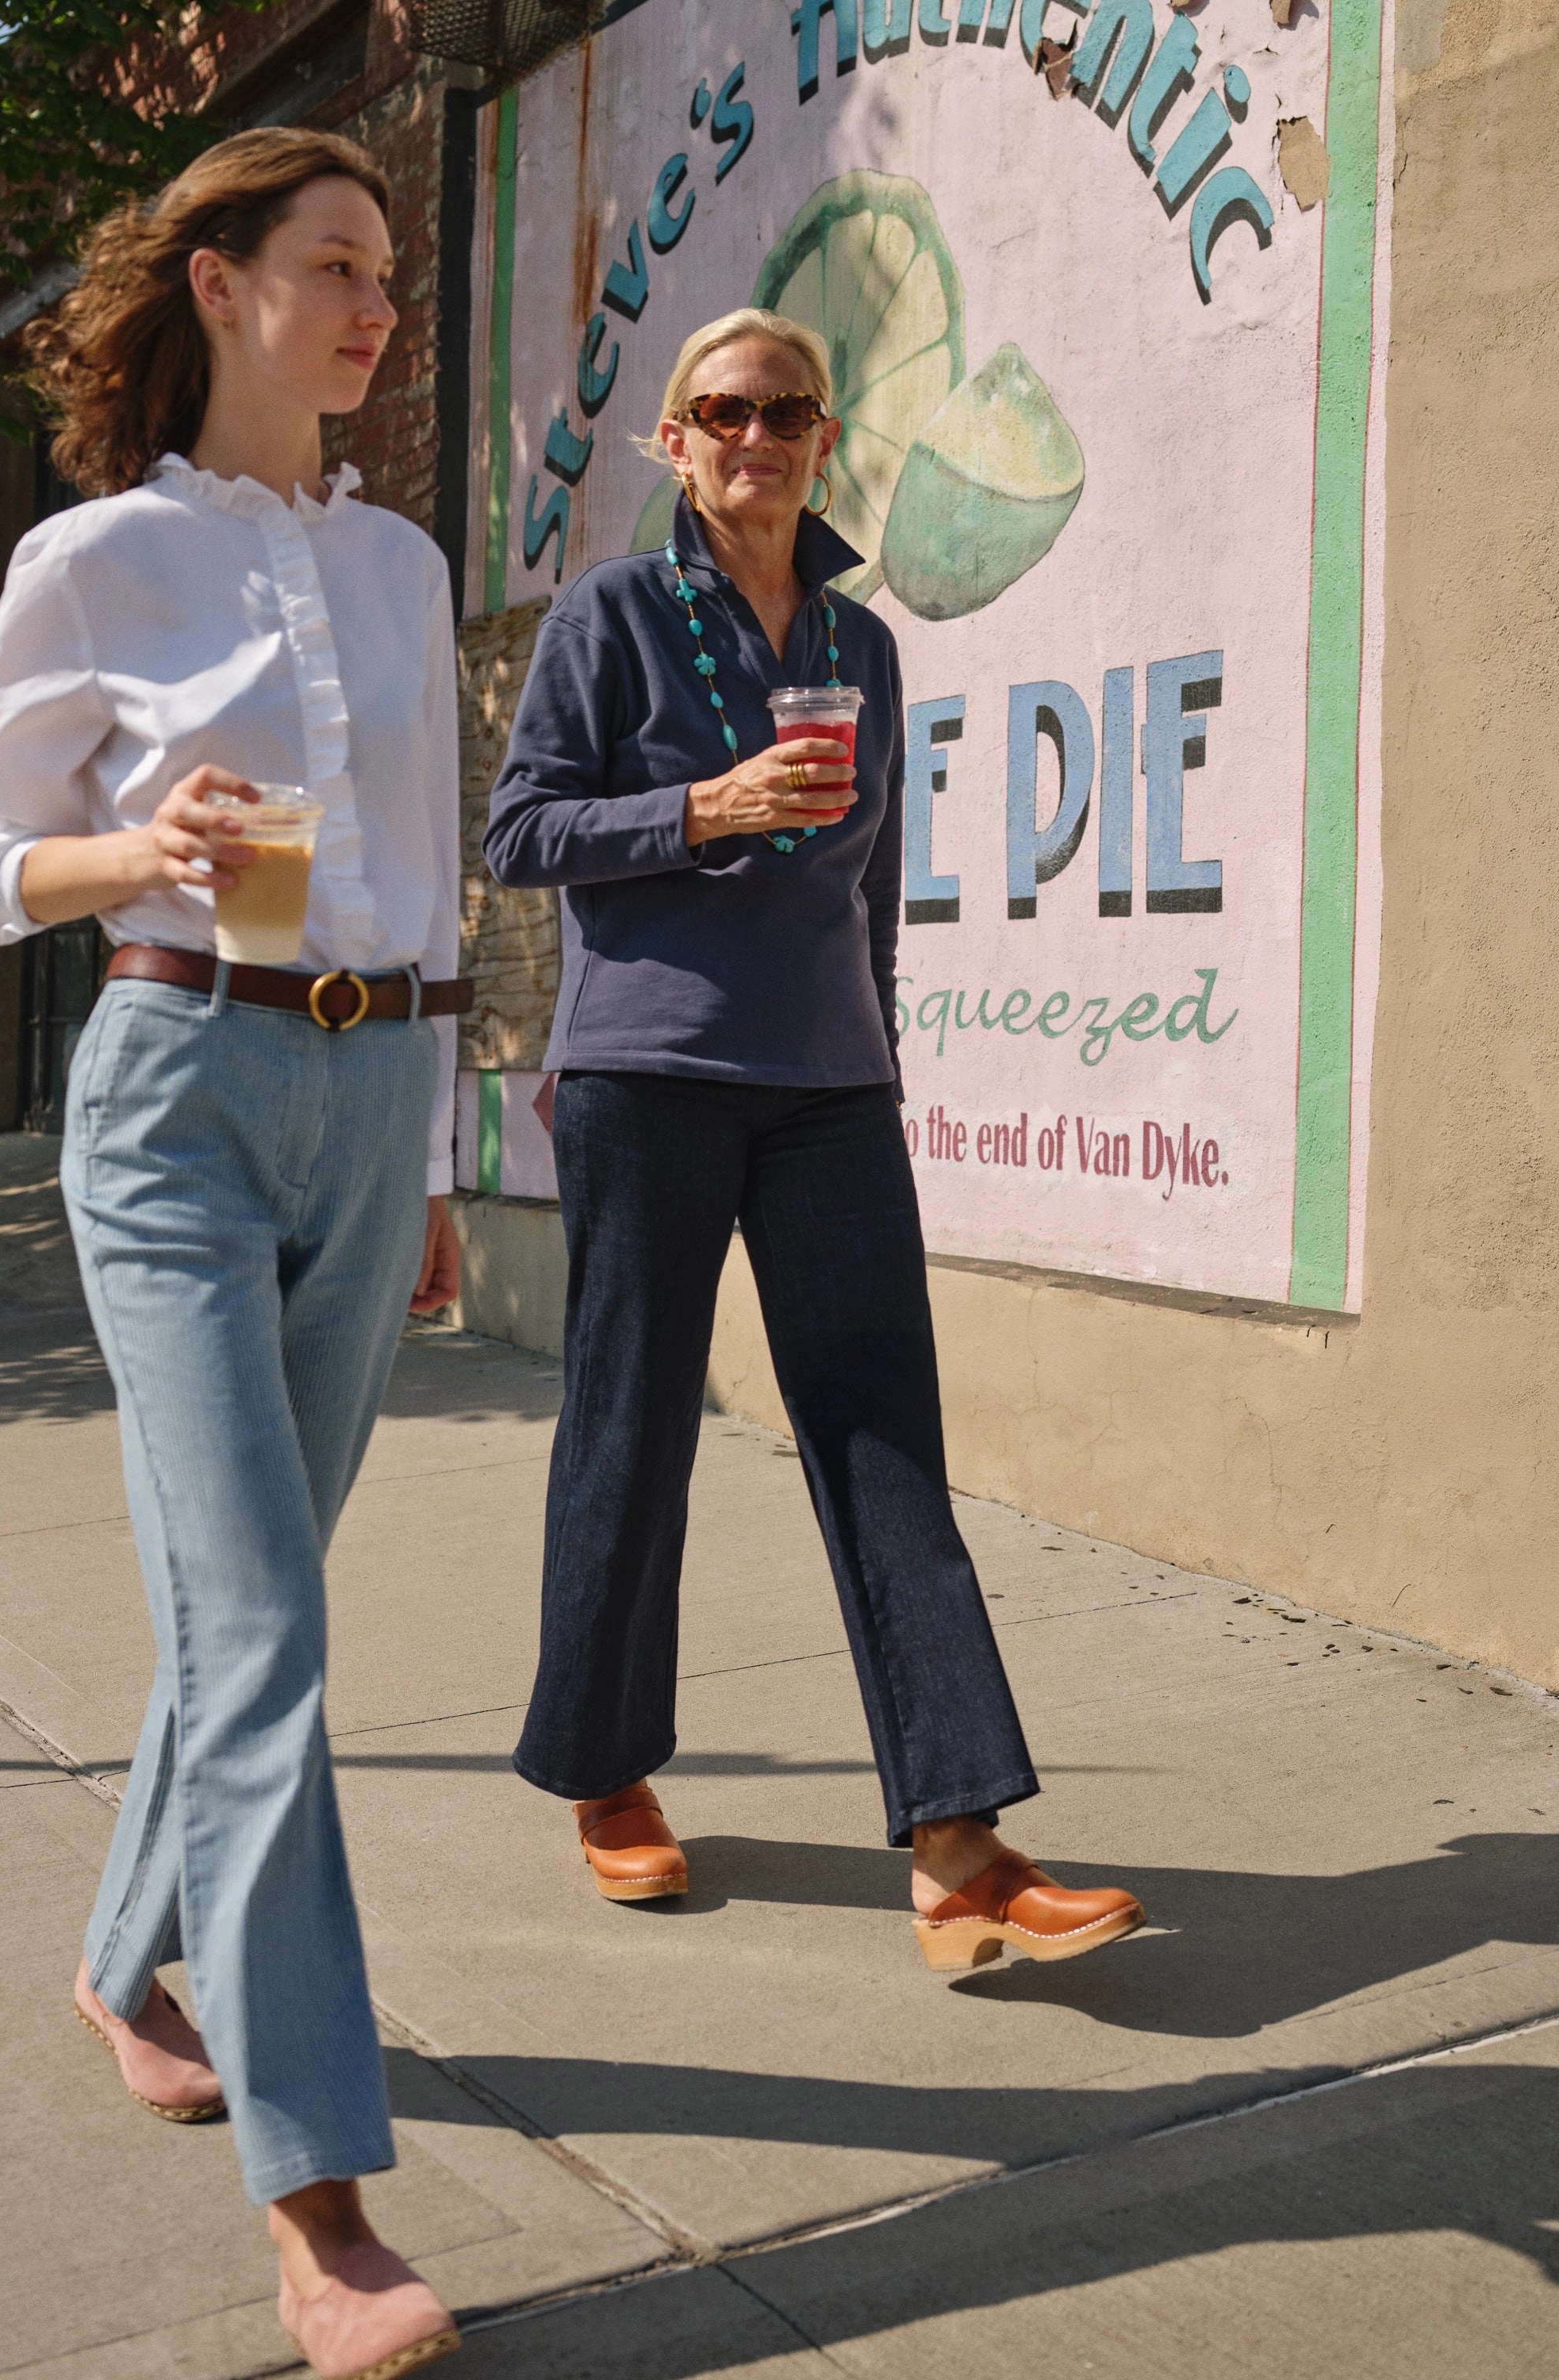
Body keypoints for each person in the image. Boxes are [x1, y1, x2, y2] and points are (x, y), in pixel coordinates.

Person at [0, 128, 466, 2380]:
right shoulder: (95, 558)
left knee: (248, 1603)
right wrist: (135, 847)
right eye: (334, 262)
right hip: (175, 1092)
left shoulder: (403, 568)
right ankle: (322, 2203)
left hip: (370, 1096)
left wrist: (432, 1152)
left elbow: (427, 882)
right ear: (220, 280)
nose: (373, 305)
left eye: (387, 272)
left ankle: (118, 1960)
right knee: (261, 1635)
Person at [485, 307, 1144, 1973]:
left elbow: (877, 886)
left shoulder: (863, 643)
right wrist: (702, 809)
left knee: (884, 1439)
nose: (756, 437)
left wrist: (882, 1050)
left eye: (787, 412)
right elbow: (522, 831)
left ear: (824, 439)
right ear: (674, 439)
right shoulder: (612, 613)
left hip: (831, 1091)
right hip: (650, 1074)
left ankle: (959, 1842)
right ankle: (606, 1773)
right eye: (724, 411)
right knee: (632, 1427)